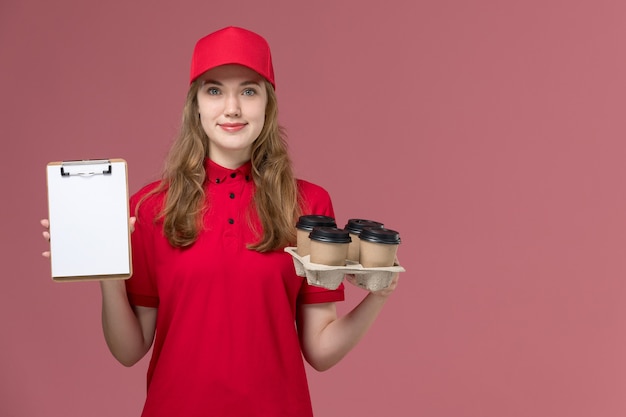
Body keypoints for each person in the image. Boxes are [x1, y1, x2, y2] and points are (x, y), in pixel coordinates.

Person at [41, 26, 399, 417]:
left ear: (268, 104)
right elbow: (129, 351)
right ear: (195, 104)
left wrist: (378, 294)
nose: (232, 108)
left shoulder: (309, 204)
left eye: (248, 91)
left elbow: (321, 351)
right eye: (214, 90)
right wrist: (107, 270)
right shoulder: (149, 207)